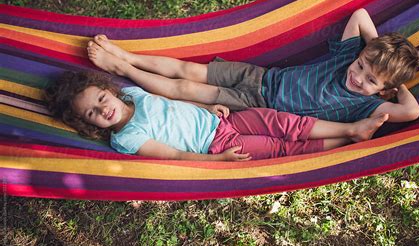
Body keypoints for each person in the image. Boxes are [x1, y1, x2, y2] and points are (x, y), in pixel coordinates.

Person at [86, 8, 419, 124]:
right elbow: (360, 16)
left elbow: (412, 111)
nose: (358, 75)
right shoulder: (345, 58)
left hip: (259, 106)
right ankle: (128, 55)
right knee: (189, 69)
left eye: (369, 79)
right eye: (362, 65)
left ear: (384, 90)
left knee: (186, 90)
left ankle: (125, 71)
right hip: (260, 76)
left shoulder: (366, 103)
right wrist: (375, 54)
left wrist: (391, 85)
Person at [44, 71, 388, 161]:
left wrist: (207, 108)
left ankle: (352, 128)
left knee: (282, 120)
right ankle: (347, 138)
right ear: (88, 123)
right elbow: (177, 155)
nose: (104, 109)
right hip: (216, 147)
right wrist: (221, 160)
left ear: (109, 90)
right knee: (283, 149)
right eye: (93, 113)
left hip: (222, 121)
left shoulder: (131, 94)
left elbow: (173, 105)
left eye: (101, 98)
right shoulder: (127, 137)